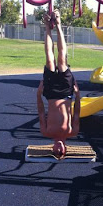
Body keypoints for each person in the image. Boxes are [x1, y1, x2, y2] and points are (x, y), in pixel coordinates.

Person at [36, 9, 81, 159]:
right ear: (66, 149)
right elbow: (77, 113)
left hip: (50, 94)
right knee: (62, 60)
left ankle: (48, 28)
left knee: (50, 59)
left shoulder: (46, 132)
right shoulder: (72, 132)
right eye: (62, 152)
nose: (59, 149)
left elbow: (41, 112)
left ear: (52, 148)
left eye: (55, 151)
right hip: (66, 93)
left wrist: (38, 94)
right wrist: (78, 95)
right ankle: (59, 25)